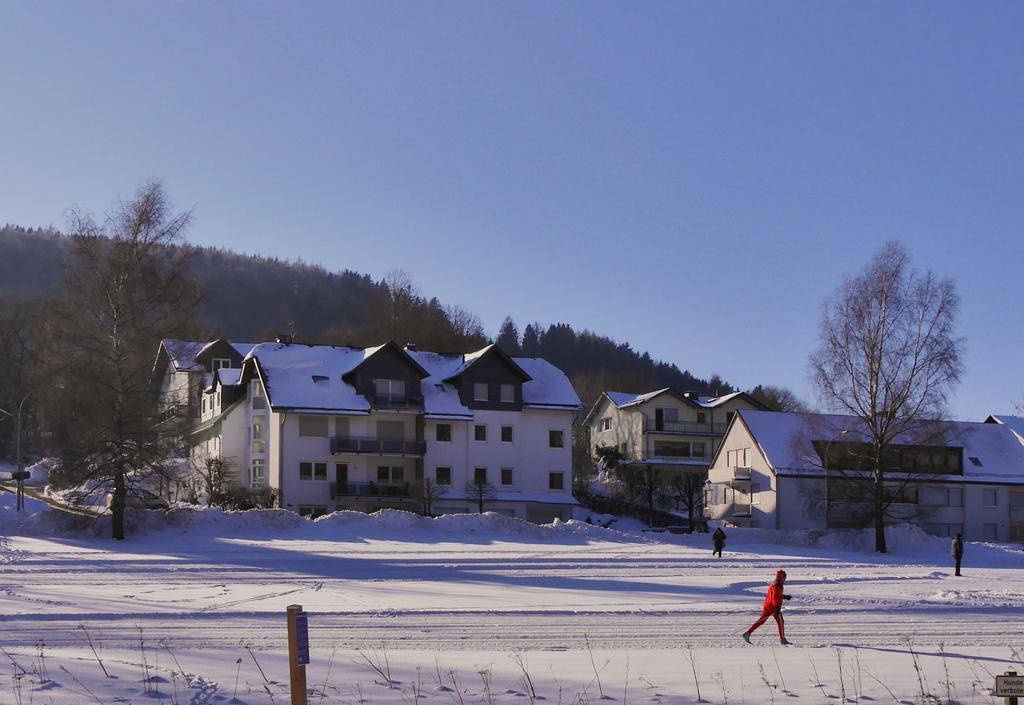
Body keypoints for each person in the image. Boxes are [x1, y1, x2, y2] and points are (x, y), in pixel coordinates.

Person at [742, 569, 792, 645]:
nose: (785, 579)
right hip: (773, 607)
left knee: (761, 621)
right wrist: (777, 608)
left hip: (767, 605)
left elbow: (775, 595)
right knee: (780, 622)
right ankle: (783, 639)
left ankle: (748, 633)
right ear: (782, 577)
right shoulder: (778, 585)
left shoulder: (773, 584)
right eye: (784, 577)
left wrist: (784, 597)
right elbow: (775, 597)